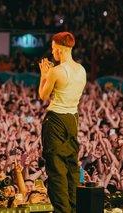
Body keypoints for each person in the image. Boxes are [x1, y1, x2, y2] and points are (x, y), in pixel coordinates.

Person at [38, 32, 86, 213]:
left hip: (56, 120)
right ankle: (74, 209)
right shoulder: (82, 70)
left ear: (58, 49)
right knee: (71, 167)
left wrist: (44, 74)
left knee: (57, 171)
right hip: (73, 119)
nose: (52, 53)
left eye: (53, 49)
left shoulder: (56, 71)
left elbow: (43, 96)